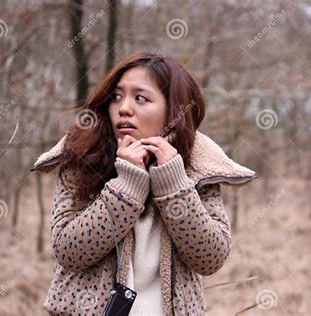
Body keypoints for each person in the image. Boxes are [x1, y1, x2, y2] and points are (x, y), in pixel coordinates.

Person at [31, 52, 257, 315]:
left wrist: (173, 184)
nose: (124, 108)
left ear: (174, 111)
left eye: (141, 98)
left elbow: (210, 257)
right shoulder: (82, 159)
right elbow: (69, 251)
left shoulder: (198, 167)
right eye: (116, 96)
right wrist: (127, 184)